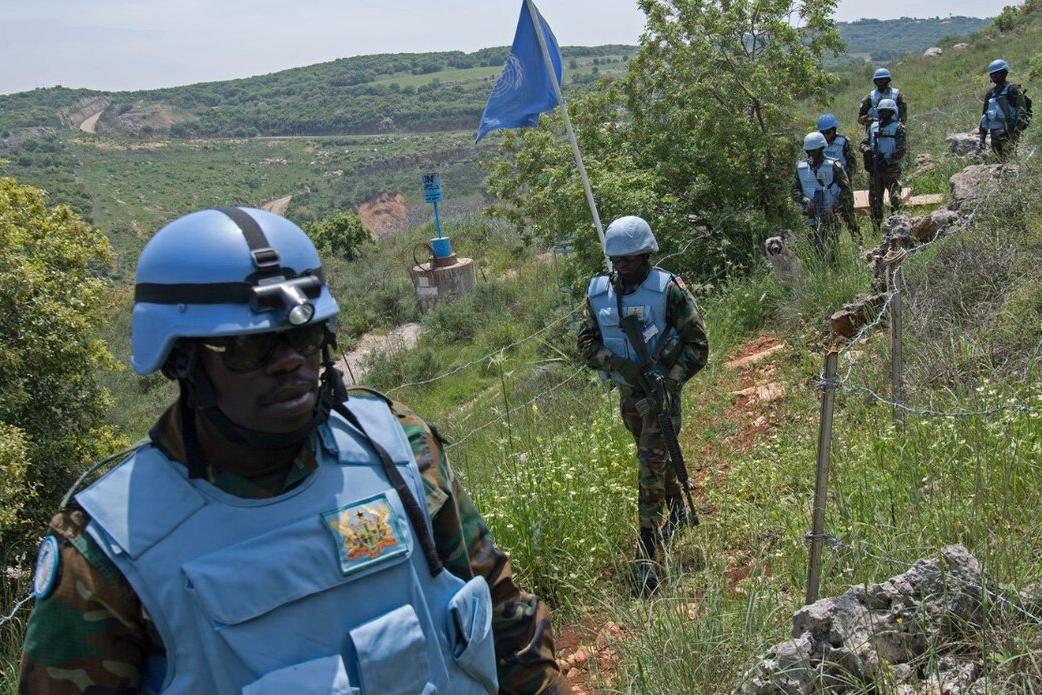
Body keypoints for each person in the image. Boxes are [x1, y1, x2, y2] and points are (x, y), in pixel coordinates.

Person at [19, 207, 569, 694]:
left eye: (304, 339)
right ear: (181, 362)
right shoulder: (107, 552)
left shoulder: (397, 446)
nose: (289, 362)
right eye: (247, 346)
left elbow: (500, 611)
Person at [577, 216, 709, 596]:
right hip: (628, 395)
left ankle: (647, 555)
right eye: (617, 261)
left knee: (649, 467)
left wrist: (669, 381)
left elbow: (698, 345)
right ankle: (678, 511)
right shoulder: (599, 293)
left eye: (630, 261)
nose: (623, 268)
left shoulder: (669, 290)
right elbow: (585, 342)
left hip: (661, 395)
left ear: (647, 256)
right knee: (654, 457)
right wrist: (616, 364)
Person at [791, 131, 853, 252]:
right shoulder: (801, 167)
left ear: (821, 149)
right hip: (809, 215)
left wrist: (833, 207)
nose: (811, 155)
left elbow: (846, 191)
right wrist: (805, 200)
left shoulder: (834, 165)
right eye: (808, 152)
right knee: (813, 252)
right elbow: (794, 190)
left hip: (829, 214)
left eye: (814, 152)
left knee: (832, 251)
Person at [860, 99, 907, 232]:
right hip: (875, 171)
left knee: (895, 200)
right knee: (875, 202)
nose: (883, 114)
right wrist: (867, 150)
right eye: (881, 112)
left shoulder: (898, 128)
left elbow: (902, 150)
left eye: (886, 112)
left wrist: (887, 161)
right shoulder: (873, 127)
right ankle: (876, 229)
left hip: (891, 170)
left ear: (892, 112)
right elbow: (862, 143)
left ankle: (897, 228)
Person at [817, 113, 861, 244]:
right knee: (828, 224)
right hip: (825, 189)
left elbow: (853, 166)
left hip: (842, 188)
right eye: (822, 132)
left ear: (834, 130)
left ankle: (859, 246)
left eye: (828, 132)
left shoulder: (843, 142)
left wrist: (840, 178)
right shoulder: (817, 145)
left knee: (849, 219)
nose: (826, 135)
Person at [978, 58, 1030, 157]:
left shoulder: (1013, 89)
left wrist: (1016, 131)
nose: (994, 77)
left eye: (996, 74)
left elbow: (1022, 111)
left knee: (1010, 159)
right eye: (992, 75)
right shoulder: (990, 94)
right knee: (1000, 161)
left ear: (1004, 73)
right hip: (994, 134)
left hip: (1009, 132)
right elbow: (984, 117)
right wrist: (982, 138)